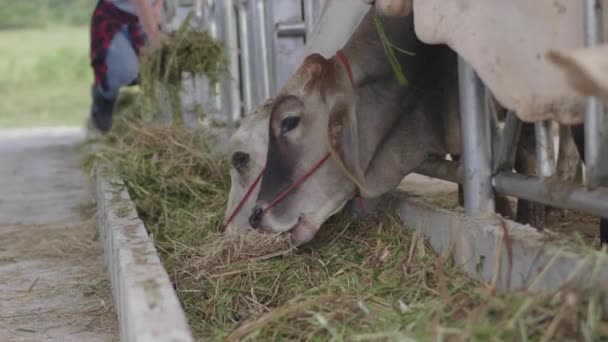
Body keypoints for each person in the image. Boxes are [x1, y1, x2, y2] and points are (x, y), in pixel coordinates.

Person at [89, 0, 165, 132]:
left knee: (156, 70)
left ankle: (154, 117)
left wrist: (159, 6)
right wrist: (155, 37)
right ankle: (104, 96)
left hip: (143, 19)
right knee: (126, 71)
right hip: (114, 17)